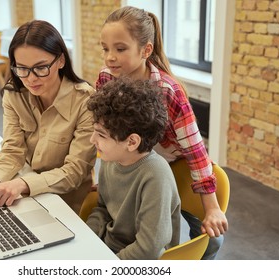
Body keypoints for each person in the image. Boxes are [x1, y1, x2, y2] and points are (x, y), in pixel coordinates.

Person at [95, 6, 228, 259]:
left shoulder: (169, 90)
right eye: (105, 48)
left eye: (120, 49)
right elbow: (102, 131)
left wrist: (211, 207)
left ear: (146, 50)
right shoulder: (106, 78)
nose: (110, 57)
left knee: (213, 241)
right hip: (134, 161)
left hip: (173, 163)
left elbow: (195, 150)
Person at [0, 20, 97, 214]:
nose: (31, 79)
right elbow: (13, 150)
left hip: (66, 205)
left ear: (61, 61)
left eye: (41, 68)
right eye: (22, 68)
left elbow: (74, 172)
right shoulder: (14, 94)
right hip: (24, 196)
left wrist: (21, 184)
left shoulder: (85, 101)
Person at [86, 76, 181, 260]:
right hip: (110, 250)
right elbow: (103, 209)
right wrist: (87, 239)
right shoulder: (110, 158)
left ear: (131, 142)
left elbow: (149, 248)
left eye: (101, 135)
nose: (92, 140)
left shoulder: (155, 175)